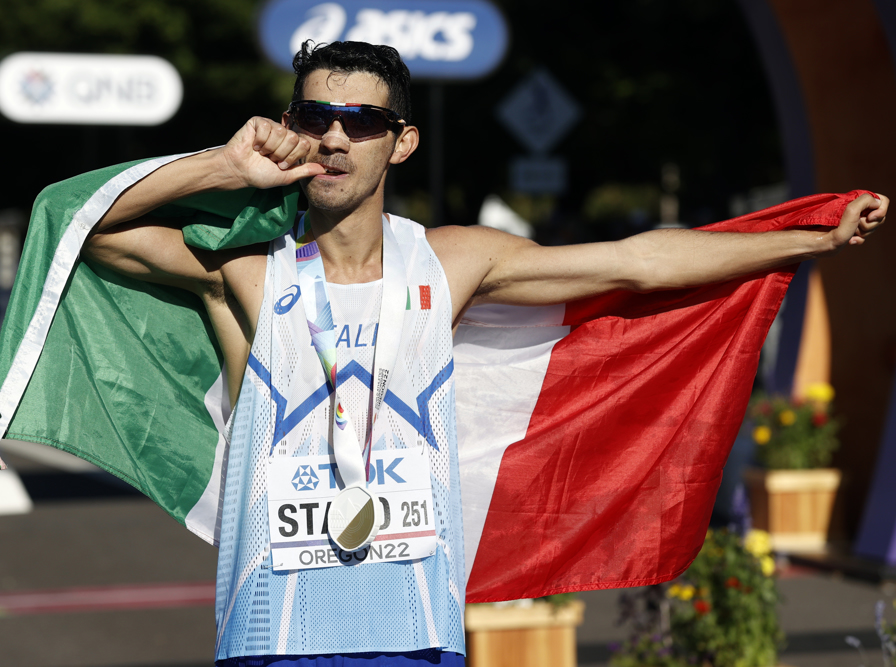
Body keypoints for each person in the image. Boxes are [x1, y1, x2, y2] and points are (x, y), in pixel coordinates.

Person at [81, 41, 886, 666]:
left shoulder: (453, 261)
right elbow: (87, 229)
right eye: (314, 117)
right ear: (288, 129)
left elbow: (638, 261)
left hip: (417, 626)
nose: (334, 137)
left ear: (400, 143)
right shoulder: (247, 274)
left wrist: (812, 235)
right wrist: (225, 165)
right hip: (274, 632)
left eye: (360, 121)